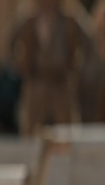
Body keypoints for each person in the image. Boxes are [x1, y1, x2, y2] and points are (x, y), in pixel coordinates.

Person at [10, 0, 92, 138]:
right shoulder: (29, 21)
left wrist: (76, 67)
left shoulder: (69, 21)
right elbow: (11, 43)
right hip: (37, 80)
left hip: (60, 81)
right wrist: (21, 65)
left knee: (67, 130)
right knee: (30, 130)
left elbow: (88, 44)